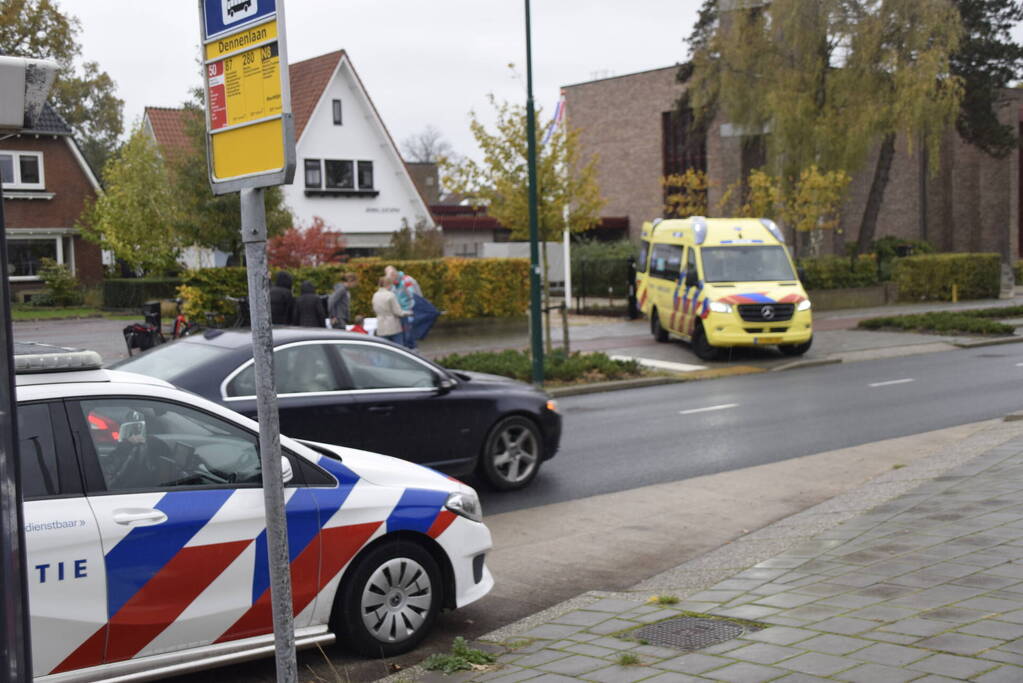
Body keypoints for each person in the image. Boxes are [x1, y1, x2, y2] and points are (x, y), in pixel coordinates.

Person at [385, 265, 422, 349]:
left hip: (409, 313)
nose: (391, 282)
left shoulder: (406, 280)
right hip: (402, 313)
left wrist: (411, 312)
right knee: (405, 337)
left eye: (391, 279)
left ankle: (413, 354)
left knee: (409, 337)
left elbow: (414, 297)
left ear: (394, 275)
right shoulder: (394, 283)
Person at [372, 276, 409, 344]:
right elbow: (398, 312)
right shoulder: (391, 295)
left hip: (381, 326)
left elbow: (374, 310)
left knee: (384, 349)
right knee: (399, 348)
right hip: (393, 326)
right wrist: (408, 313)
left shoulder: (375, 295)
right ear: (389, 284)